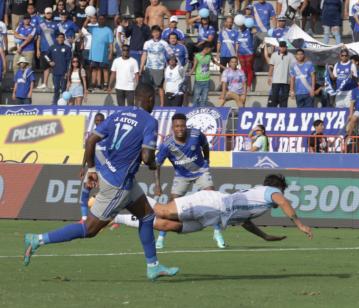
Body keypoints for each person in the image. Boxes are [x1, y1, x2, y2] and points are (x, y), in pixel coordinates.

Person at [23, 83, 180, 280]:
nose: (155, 103)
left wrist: (91, 169)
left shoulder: (118, 114)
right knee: (89, 229)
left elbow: (90, 141)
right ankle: (37, 239)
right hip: (118, 184)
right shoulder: (149, 121)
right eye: (154, 100)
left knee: (147, 216)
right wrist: (152, 164)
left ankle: (153, 266)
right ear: (149, 99)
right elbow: (148, 156)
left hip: (113, 174)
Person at [112, 174, 313, 244]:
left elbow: (244, 221)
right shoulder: (270, 191)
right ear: (278, 187)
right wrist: (300, 225)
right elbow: (284, 202)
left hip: (213, 218)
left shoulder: (258, 200)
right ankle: (127, 188)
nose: (282, 195)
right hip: (212, 203)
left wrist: (264, 236)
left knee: (165, 225)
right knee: (163, 211)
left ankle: (117, 219)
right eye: (282, 191)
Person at [152, 113, 223, 249]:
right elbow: (156, 165)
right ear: (172, 127)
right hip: (181, 175)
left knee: (213, 199)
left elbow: (205, 146)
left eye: (182, 126)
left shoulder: (196, 135)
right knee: (171, 206)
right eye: (177, 126)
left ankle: (217, 232)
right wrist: (157, 185)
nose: (180, 129)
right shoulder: (167, 144)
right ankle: (161, 237)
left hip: (200, 172)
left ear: (186, 126)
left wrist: (207, 160)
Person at [78, 112, 105, 222]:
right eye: (97, 120)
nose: (98, 122)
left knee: (107, 195)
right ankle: (84, 218)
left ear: (104, 121)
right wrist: (82, 167)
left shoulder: (108, 134)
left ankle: (112, 219)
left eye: (100, 121)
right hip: (92, 169)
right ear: (94, 121)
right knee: (84, 192)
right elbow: (87, 152)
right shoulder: (91, 135)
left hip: (105, 170)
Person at [141, 25, 171, 107]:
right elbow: (144, 55)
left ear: (160, 33)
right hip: (149, 68)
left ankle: (162, 104)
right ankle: (148, 104)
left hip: (160, 68)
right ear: (152, 33)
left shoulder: (164, 43)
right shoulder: (147, 43)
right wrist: (141, 67)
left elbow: (171, 54)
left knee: (160, 87)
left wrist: (168, 66)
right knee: (148, 88)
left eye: (157, 32)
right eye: (154, 32)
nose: (156, 33)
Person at [85, 15, 114, 91]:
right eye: (99, 19)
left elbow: (111, 43)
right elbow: (84, 27)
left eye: (102, 19)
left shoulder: (108, 30)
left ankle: (105, 84)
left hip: (104, 53)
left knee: (105, 69)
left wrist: (110, 53)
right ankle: (93, 84)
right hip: (94, 54)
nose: (101, 20)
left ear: (105, 20)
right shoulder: (94, 29)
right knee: (94, 69)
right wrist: (88, 19)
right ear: (98, 20)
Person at [191, 43, 222, 107]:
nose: (210, 51)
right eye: (210, 50)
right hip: (198, 80)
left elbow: (215, 62)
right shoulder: (197, 56)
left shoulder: (209, 55)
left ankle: (203, 110)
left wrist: (223, 67)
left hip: (206, 80)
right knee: (196, 97)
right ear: (206, 49)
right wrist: (190, 73)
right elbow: (194, 66)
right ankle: (194, 109)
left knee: (204, 98)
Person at [46, 33, 72, 105]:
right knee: (56, 89)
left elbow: (69, 61)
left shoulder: (67, 48)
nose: (61, 39)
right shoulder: (52, 47)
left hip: (64, 73)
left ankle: (64, 103)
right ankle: (55, 103)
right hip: (55, 72)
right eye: (59, 37)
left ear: (64, 39)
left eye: (62, 37)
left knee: (64, 89)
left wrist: (67, 72)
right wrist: (49, 61)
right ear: (57, 38)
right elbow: (45, 55)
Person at [268, 41, 295, 107]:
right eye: (281, 47)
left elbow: (294, 66)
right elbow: (271, 66)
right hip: (276, 81)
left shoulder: (290, 55)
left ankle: (284, 113)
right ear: (279, 47)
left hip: (286, 81)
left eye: (284, 47)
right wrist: (269, 77)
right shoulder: (274, 55)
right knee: (274, 98)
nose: (282, 48)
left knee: (284, 99)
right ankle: (273, 113)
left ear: (286, 47)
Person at [36, 7, 58, 90]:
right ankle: (45, 84)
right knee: (46, 67)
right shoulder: (41, 25)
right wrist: (38, 49)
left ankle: (54, 84)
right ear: (45, 14)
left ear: (52, 14)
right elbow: (38, 38)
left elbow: (58, 37)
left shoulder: (56, 24)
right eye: (47, 13)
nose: (49, 14)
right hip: (44, 49)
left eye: (50, 13)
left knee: (54, 66)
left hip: (53, 49)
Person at [217, 16, 238, 88]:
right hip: (223, 54)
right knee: (222, 71)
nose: (229, 24)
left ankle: (231, 85)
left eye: (231, 22)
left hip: (232, 55)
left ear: (232, 23)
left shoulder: (235, 32)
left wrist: (236, 53)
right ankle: (221, 85)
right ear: (225, 22)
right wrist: (217, 53)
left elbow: (236, 44)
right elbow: (219, 43)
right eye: (228, 22)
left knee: (232, 71)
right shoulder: (222, 32)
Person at [237, 20, 254, 92]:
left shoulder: (249, 30)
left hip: (249, 53)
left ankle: (249, 86)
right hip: (240, 53)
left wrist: (251, 27)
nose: (241, 26)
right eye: (239, 24)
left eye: (242, 24)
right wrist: (236, 53)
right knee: (243, 69)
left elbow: (255, 31)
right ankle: (244, 85)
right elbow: (237, 43)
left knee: (249, 69)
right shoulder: (237, 32)